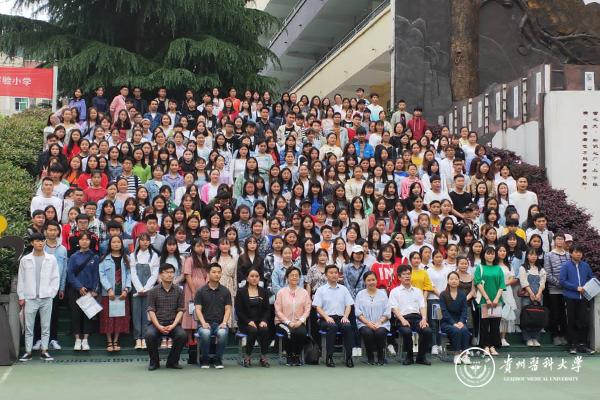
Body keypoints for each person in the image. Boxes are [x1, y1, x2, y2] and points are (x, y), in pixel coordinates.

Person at [17, 233, 60, 362]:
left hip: (46, 297)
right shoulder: (25, 259)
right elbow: (21, 279)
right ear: (32, 243)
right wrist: (21, 296)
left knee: (46, 326)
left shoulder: (51, 259)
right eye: (37, 241)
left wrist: (52, 293)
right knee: (28, 327)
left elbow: (55, 277)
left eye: (42, 241)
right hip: (30, 298)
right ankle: (28, 352)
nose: (40, 243)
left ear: (44, 242)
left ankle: (44, 351)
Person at [145, 263, 187, 370]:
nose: (170, 275)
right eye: (167, 272)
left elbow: (181, 311)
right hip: (157, 323)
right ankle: (154, 362)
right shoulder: (153, 291)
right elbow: (151, 311)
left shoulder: (179, 291)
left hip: (173, 323)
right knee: (149, 335)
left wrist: (173, 325)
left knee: (182, 335)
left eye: (172, 272)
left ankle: (172, 361)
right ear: (160, 275)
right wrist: (158, 326)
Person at [313, 264, 355, 368]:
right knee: (332, 327)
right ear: (326, 275)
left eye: (336, 273)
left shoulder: (343, 289)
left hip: (341, 317)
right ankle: (329, 357)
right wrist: (327, 317)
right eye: (331, 273)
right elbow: (317, 307)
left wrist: (345, 316)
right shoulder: (321, 290)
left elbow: (348, 305)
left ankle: (349, 357)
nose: (334, 275)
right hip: (325, 318)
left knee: (348, 327)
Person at [388, 264, 432, 365]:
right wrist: (402, 320)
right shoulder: (395, 292)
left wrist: (424, 319)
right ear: (399, 277)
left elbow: (422, 306)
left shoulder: (418, 291)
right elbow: (394, 308)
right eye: (404, 274)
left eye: (409, 274)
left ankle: (421, 357)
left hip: (417, 318)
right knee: (407, 332)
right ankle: (409, 356)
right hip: (402, 318)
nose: (407, 276)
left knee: (428, 331)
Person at [194, 263, 232, 369]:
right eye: (214, 272)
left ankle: (218, 359)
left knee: (222, 333)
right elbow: (198, 309)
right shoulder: (200, 291)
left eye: (219, 272)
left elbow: (228, 309)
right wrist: (203, 323)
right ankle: (205, 359)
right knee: (205, 333)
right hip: (204, 324)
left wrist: (224, 322)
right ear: (208, 273)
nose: (217, 274)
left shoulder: (225, 291)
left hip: (220, 324)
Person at [559, 245, 596, 354]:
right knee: (571, 321)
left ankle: (583, 345)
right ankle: (572, 345)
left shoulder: (585, 265)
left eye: (580, 252)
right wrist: (576, 288)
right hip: (570, 297)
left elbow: (591, 278)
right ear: (571, 253)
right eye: (576, 252)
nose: (579, 254)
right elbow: (562, 281)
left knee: (583, 321)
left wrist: (588, 286)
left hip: (583, 298)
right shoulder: (566, 266)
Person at [66, 231, 100, 351]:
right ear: (78, 241)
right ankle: (77, 339)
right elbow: (70, 274)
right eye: (82, 239)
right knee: (75, 315)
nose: (84, 241)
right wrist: (79, 287)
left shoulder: (95, 257)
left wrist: (94, 290)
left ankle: (85, 340)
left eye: (87, 239)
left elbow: (96, 275)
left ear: (90, 241)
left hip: (89, 291)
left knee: (88, 315)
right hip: (75, 290)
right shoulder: (73, 256)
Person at [99, 235, 131, 352]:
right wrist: (109, 289)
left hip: (122, 293)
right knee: (107, 317)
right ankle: (109, 341)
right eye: (113, 242)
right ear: (110, 244)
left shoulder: (126, 258)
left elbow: (129, 274)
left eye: (118, 242)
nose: (116, 244)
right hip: (108, 294)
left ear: (121, 244)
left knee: (119, 317)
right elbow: (102, 275)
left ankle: (116, 341)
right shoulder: (104, 259)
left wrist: (126, 289)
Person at [274, 266, 311, 366]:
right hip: (282, 322)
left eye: (296, 275)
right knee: (289, 332)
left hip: (299, 321)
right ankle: (289, 356)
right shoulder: (281, 292)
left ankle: (296, 355)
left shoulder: (304, 292)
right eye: (292, 275)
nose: (294, 277)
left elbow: (307, 309)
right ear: (287, 277)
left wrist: (301, 321)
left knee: (302, 333)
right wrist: (288, 322)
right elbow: (278, 310)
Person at [235, 269, 271, 367]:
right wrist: (248, 321)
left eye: (256, 276)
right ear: (247, 278)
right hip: (245, 322)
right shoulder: (241, 292)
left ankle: (263, 357)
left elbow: (267, 309)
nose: (254, 278)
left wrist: (264, 320)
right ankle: (247, 357)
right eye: (252, 276)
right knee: (253, 330)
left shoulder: (263, 291)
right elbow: (239, 311)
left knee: (264, 329)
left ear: (259, 278)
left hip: (260, 321)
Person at [474, 246, 505, 356]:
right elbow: (478, 283)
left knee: (495, 325)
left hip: (497, 301)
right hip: (484, 301)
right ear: (484, 255)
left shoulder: (498, 268)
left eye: (492, 253)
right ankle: (485, 346)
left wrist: (496, 299)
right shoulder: (480, 267)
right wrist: (487, 298)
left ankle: (492, 346)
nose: (490, 255)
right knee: (484, 325)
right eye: (488, 253)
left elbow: (502, 285)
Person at [354, 271, 391, 365]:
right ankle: (370, 357)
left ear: (377, 280)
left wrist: (379, 322)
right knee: (368, 332)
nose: (371, 282)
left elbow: (387, 311)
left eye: (373, 280)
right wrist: (368, 323)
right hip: (364, 323)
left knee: (380, 332)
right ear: (364, 282)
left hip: (382, 323)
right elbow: (358, 312)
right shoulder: (360, 294)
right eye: (368, 280)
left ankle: (380, 356)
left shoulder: (383, 294)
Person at [543, 233, 570, 345]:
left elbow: (570, 271)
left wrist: (566, 284)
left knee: (564, 313)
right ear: (554, 241)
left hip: (566, 290)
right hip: (554, 289)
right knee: (555, 313)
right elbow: (547, 273)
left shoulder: (568, 255)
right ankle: (555, 335)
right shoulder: (548, 255)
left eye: (562, 239)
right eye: (558, 239)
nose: (560, 241)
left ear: (564, 241)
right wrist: (559, 283)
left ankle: (564, 335)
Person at [439, 271, 471, 365]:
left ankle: (464, 354)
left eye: (456, 279)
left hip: (460, 322)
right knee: (456, 330)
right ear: (448, 281)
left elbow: (464, 310)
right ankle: (457, 354)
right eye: (451, 279)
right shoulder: (443, 295)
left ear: (459, 281)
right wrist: (453, 323)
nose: (454, 281)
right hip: (447, 322)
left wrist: (461, 322)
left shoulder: (462, 294)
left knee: (464, 330)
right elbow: (444, 312)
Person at [519, 248, 546, 347]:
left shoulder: (540, 269)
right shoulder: (523, 268)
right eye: (531, 254)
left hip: (539, 296)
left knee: (537, 317)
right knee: (527, 318)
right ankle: (528, 338)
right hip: (527, 295)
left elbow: (542, 282)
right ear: (527, 256)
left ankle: (535, 338)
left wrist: (539, 294)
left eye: (535, 255)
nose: (533, 256)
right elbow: (523, 281)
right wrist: (530, 293)